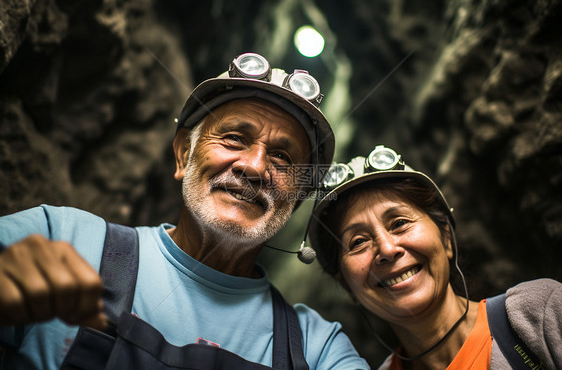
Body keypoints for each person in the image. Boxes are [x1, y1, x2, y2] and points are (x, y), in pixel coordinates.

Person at [0, 53, 369, 369]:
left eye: (282, 158)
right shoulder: (64, 238)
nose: (254, 167)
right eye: (234, 139)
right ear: (183, 155)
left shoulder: (315, 348)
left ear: (298, 198)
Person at [308, 145, 562, 369]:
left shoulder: (538, 315)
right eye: (358, 242)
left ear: (447, 238)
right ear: (346, 285)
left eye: (399, 223)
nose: (386, 249)